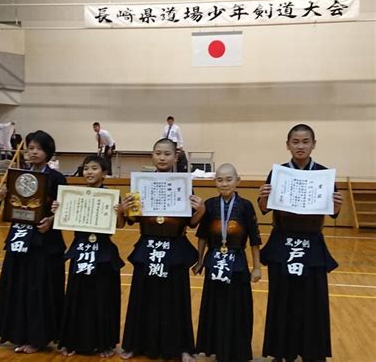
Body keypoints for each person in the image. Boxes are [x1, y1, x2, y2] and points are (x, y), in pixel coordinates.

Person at [258, 124, 343, 362]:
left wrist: (337, 205)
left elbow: (334, 214)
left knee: (312, 301)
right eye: (295, 141)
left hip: (312, 244)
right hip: (282, 242)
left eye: (305, 141)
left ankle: (312, 352)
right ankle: (281, 351)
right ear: (288, 145)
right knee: (281, 298)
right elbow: (264, 210)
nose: (300, 146)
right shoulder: (278, 173)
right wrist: (263, 198)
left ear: (314, 144)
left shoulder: (324, 174)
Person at [120, 138, 204, 362]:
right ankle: (134, 344)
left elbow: (192, 223)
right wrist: (125, 209)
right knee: (141, 297)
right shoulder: (141, 183)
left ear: (176, 157)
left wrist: (200, 210)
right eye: (158, 153)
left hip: (175, 248)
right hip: (148, 246)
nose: (162, 157)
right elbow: (131, 219)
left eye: (167, 154)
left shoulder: (184, 183)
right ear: (152, 155)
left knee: (177, 300)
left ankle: (184, 347)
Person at [52, 155, 133, 357]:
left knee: (103, 298)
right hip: (80, 250)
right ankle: (72, 341)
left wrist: (121, 212)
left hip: (103, 252)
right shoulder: (74, 195)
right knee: (77, 296)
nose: (89, 172)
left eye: (94, 168)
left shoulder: (112, 196)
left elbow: (120, 226)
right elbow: (65, 220)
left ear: (104, 173)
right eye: (86, 168)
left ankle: (105, 343)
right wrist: (58, 210)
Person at [0, 130, 68, 354]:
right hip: (20, 239)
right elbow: (14, 208)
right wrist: (4, 197)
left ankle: (39, 337)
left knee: (39, 289)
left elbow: (66, 210)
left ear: (48, 152)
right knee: (19, 285)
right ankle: (18, 333)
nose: (33, 152)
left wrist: (52, 220)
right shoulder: (18, 175)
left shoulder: (57, 178)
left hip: (45, 243)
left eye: (38, 148)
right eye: (30, 148)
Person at [192, 163, 262, 362]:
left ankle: (237, 349)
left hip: (237, 263)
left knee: (237, 307)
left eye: (229, 179)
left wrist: (256, 267)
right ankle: (214, 346)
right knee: (215, 306)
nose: (224, 184)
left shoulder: (246, 206)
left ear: (238, 181)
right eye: (220, 180)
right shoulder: (210, 205)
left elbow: (255, 239)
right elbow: (202, 236)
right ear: (215, 182)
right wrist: (199, 260)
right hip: (214, 261)